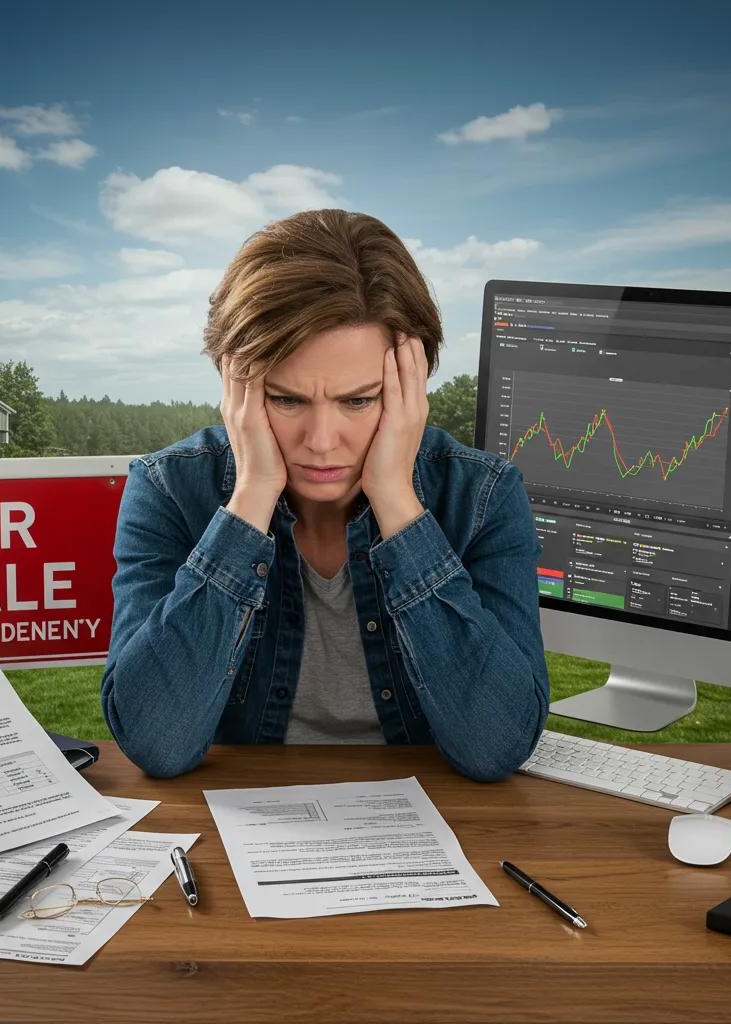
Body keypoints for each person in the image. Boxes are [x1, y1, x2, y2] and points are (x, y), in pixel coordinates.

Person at [100, 208, 549, 781]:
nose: (320, 442)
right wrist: (253, 494)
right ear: (236, 387)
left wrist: (395, 500)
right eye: (287, 400)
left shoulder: (483, 496)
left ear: (410, 384)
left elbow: (497, 747)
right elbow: (155, 742)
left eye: (358, 401)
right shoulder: (168, 488)